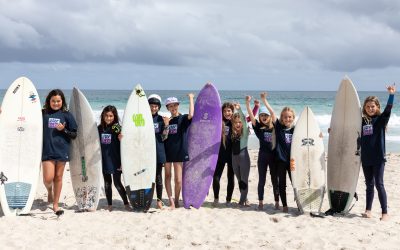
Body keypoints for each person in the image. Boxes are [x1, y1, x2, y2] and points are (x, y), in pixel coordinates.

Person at [213, 100, 259, 207]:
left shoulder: (235, 121)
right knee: (216, 177)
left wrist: (256, 107)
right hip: (220, 154)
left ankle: (230, 200)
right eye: (224, 111)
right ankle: (216, 198)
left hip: (232, 156)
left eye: (229, 111)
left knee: (232, 178)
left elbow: (246, 119)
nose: (227, 113)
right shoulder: (219, 122)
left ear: (232, 111)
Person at [360, 84, 396, 221]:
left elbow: (388, 110)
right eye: (368, 106)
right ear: (364, 108)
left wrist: (391, 95)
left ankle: (384, 213)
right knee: (368, 184)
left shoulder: (381, 120)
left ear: (377, 107)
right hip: (366, 158)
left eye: (373, 106)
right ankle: (368, 210)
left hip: (378, 158)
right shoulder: (362, 121)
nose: (370, 108)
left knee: (379, 184)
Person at [42, 89, 77, 215]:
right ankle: (49, 190)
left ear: (62, 101)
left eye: (58, 101)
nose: (56, 103)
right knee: (48, 178)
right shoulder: (42, 113)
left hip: (62, 150)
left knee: (58, 177)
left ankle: (55, 204)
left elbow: (74, 134)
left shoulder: (66, 115)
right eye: (53, 101)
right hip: (47, 149)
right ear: (49, 101)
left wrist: (63, 130)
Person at [246, 93, 278, 210]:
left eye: (266, 115)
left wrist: (264, 101)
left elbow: (273, 113)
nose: (264, 117)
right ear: (259, 118)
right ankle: (260, 202)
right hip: (262, 157)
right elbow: (251, 116)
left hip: (274, 157)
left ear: (269, 117)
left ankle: (277, 202)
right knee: (262, 180)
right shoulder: (259, 128)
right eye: (262, 115)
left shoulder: (275, 126)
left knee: (275, 180)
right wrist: (248, 104)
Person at [163, 94, 194, 208]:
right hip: (167, 152)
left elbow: (191, 115)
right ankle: (171, 200)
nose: (173, 108)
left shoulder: (183, 118)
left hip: (179, 151)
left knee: (178, 179)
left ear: (178, 106)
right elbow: (163, 137)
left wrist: (191, 98)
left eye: (175, 105)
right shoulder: (166, 120)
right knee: (167, 176)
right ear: (167, 108)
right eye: (170, 106)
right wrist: (166, 125)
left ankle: (176, 200)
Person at [98, 105, 130, 211]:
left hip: (116, 159)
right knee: (107, 183)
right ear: (103, 116)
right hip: (104, 160)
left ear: (114, 116)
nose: (108, 118)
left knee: (117, 183)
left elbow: (125, 142)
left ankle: (126, 203)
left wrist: (122, 137)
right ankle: (110, 205)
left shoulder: (116, 127)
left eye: (111, 116)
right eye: (106, 116)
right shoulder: (99, 128)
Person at [148, 94, 170, 209]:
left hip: (158, 151)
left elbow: (164, 137)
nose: (153, 108)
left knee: (158, 177)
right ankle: (146, 200)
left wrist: (166, 126)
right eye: (151, 105)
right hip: (146, 152)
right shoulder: (143, 118)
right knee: (147, 177)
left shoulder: (161, 119)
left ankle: (159, 201)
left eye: (156, 106)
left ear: (159, 107)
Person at [274, 106, 296, 213]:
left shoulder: (296, 130)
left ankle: (299, 203)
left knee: (295, 183)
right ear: (282, 118)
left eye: (290, 117)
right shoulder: (279, 128)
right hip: (281, 161)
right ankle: (285, 205)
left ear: (293, 117)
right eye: (285, 117)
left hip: (292, 162)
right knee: (282, 184)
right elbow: (272, 114)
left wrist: (319, 135)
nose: (288, 119)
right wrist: (264, 101)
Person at [231, 103, 251, 207]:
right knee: (239, 180)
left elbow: (244, 120)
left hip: (244, 159)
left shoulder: (245, 134)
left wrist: (239, 110)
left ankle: (241, 201)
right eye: (235, 123)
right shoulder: (232, 134)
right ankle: (245, 198)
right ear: (233, 124)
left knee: (244, 181)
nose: (238, 124)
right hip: (234, 159)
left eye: (239, 122)